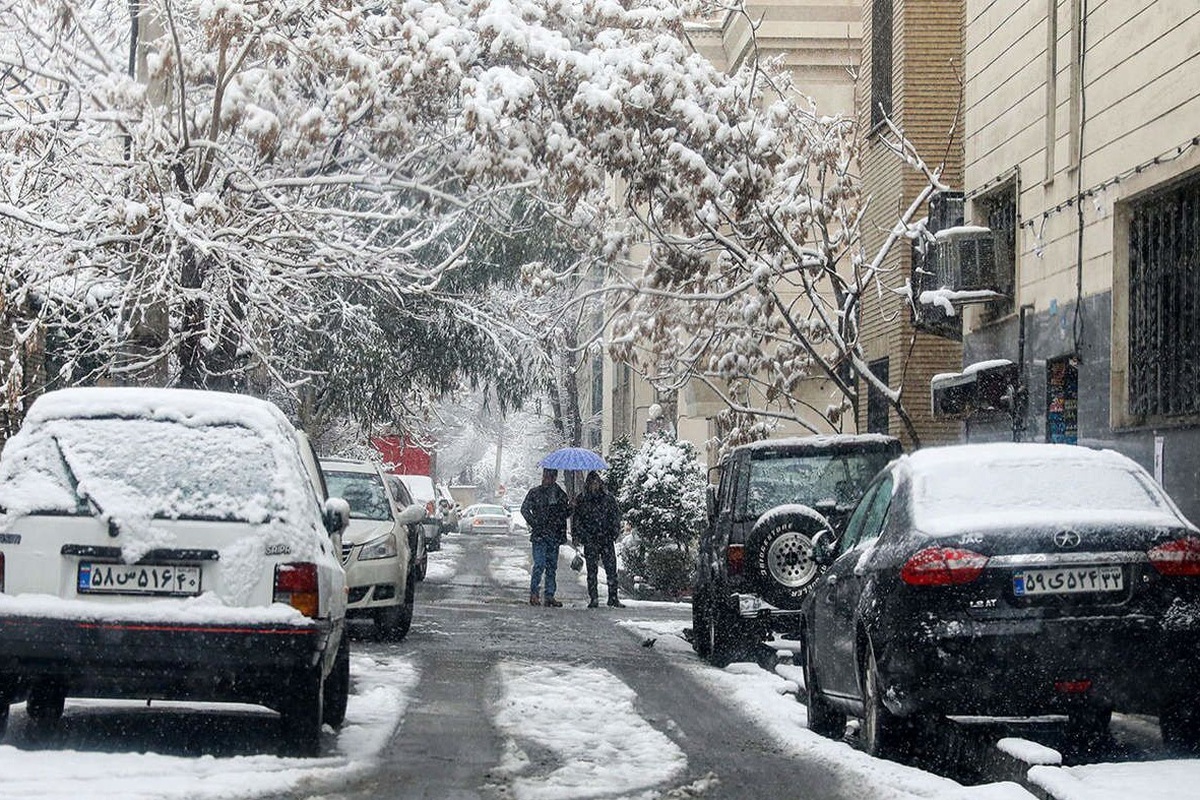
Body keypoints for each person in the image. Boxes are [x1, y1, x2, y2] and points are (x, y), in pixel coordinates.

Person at [571, 471, 625, 608]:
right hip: (591, 539)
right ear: (588, 484)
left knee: (611, 569)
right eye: (592, 483)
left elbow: (615, 517)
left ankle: (613, 597)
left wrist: (614, 532)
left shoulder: (608, 499)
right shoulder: (582, 500)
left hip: (606, 539)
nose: (594, 486)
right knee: (592, 571)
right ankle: (593, 598)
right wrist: (579, 536)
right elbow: (577, 520)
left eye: (596, 482)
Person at [521, 468, 570, 607]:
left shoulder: (560, 494)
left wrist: (570, 507)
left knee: (551, 567)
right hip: (540, 535)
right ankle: (534, 593)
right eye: (544, 476)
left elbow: (563, 514)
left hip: (554, 535)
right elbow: (524, 509)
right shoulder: (535, 492)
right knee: (539, 564)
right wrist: (535, 523)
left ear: (554, 478)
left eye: (548, 476)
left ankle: (549, 595)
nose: (545, 479)